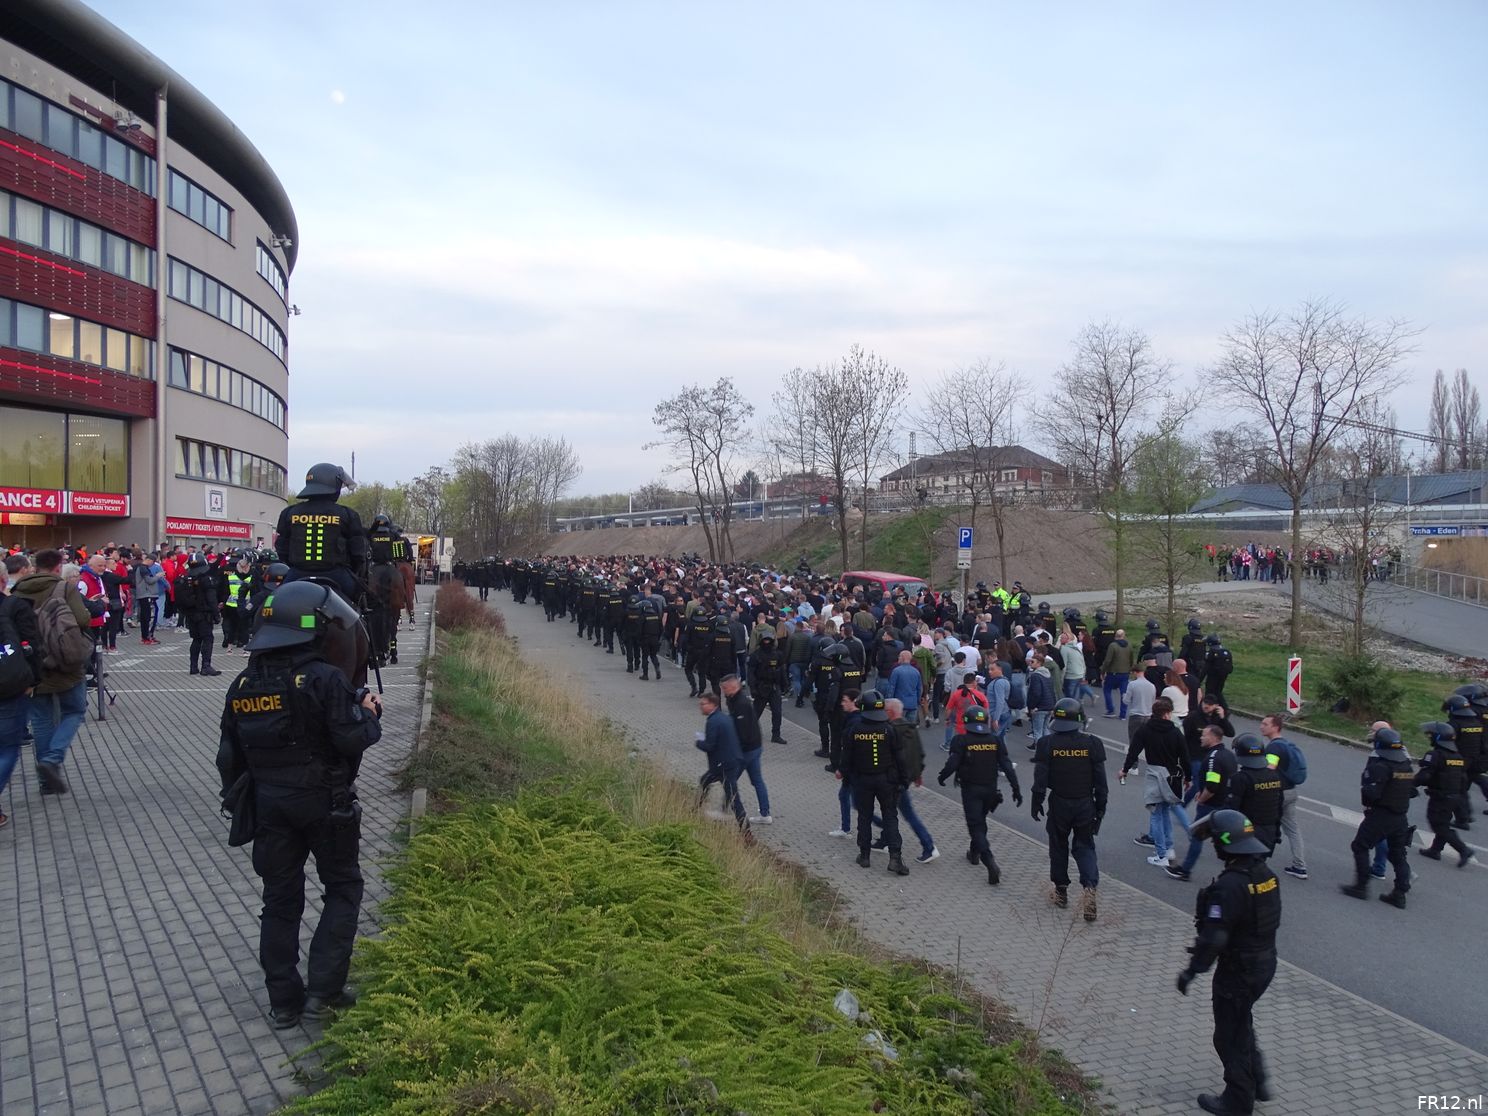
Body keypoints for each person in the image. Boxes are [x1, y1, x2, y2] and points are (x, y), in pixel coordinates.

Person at [216, 580, 383, 1029]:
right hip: (326, 805)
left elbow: (228, 757)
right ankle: (323, 994)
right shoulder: (324, 679)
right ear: (313, 630)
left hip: (270, 808)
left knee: (279, 900)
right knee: (343, 889)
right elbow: (352, 739)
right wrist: (370, 713)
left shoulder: (242, 684)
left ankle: (284, 1002)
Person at [1174, 809, 1279, 1116]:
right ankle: (1258, 1080)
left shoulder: (1230, 885)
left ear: (1225, 843)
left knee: (1228, 1036)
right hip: (1264, 964)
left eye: (1215, 841)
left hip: (1238, 972)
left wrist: (1191, 971)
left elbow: (1214, 938)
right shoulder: (1265, 875)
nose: (1213, 847)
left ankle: (1238, 1101)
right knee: (1241, 1022)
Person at [13, 549, 92, 795]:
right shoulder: (64, 588)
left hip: (32, 663)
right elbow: (82, 619)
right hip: (64, 661)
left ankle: (46, 782)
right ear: (58, 567)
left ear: (34, 566)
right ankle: (52, 759)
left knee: (41, 720)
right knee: (75, 710)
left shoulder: (18, 591)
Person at [1030, 697, 1107, 920]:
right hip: (1085, 804)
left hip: (1059, 803)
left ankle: (1061, 892)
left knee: (1058, 847)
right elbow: (1101, 783)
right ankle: (1089, 888)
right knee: (1085, 847)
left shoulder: (1046, 743)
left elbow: (1040, 778)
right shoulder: (1093, 743)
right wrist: (1100, 810)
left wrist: (1036, 802)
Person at [938, 705, 1020, 885]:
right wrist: (1016, 788)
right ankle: (974, 853)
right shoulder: (995, 740)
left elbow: (953, 763)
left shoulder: (961, 740)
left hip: (971, 790)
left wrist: (942, 776)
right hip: (990, 790)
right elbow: (1006, 765)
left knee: (975, 826)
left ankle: (989, 862)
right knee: (981, 821)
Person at [1340, 726, 1416, 908]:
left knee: (1360, 846)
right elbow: (1412, 792)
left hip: (1381, 815)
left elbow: (1370, 794)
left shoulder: (1380, 767)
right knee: (1398, 855)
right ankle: (1400, 893)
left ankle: (1361, 886)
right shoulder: (1406, 766)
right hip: (1401, 817)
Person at [273, 462, 369, 605]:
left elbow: (282, 549)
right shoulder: (347, 514)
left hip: (297, 574)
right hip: (337, 575)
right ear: (334, 486)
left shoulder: (289, 513)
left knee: (274, 600)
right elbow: (358, 554)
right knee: (364, 602)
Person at [840, 689, 910, 876]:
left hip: (862, 780)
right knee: (890, 816)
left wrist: (846, 779)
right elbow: (900, 758)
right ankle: (895, 858)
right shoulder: (889, 729)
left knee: (864, 816)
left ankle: (864, 856)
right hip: (887, 780)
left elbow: (846, 758)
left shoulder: (854, 730)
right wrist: (904, 780)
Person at [1121, 697, 1190, 867]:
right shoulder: (1175, 732)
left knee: (1156, 814)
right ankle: (1169, 848)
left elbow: (1133, 751)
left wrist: (1125, 770)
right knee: (1165, 812)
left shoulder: (1145, 730)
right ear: (1167, 714)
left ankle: (1161, 854)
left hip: (1154, 774)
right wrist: (1188, 778)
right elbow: (1185, 756)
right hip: (1172, 776)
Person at [1167, 724, 1237, 881]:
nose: (1201, 738)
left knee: (1197, 836)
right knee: (1225, 837)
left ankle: (1185, 870)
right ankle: (1236, 868)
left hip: (1211, 805)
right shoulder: (1228, 755)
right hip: (1226, 803)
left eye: (1204, 735)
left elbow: (1212, 785)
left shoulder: (1212, 758)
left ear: (1213, 737)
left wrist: (1202, 798)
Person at [0, 572, 41, 826]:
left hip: (9, 683)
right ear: (4, 580)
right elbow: (32, 644)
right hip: (9, 684)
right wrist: (33, 679)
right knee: (6, 748)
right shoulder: (14, 606)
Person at [882, 698, 937, 863]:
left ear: (890, 712)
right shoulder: (911, 728)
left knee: (904, 813)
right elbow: (919, 753)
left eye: (884, 710)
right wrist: (918, 774)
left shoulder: (890, 730)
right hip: (906, 778)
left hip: (894, 779)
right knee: (892, 810)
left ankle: (928, 846)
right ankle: (884, 839)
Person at [1414, 721, 1474, 868]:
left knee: (1438, 824)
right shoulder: (1457, 756)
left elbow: (1424, 776)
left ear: (1438, 738)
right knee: (1443, 823)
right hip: (1455, 797)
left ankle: (1463, 849)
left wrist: (1409, 785)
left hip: (1440, 797)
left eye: (1431, 735)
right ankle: (1435, 850)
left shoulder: (1435, 755)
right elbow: (1463, 779)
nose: (1429, 737)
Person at [1260, 713, 1307, 879]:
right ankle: (1300, 866)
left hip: (1278, 793)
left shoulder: (1274, 747)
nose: (1261, 726)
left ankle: (1254, 859)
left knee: (1261, 823)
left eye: (1265, 724)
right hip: (1291, 791)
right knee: (1293, 830)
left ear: (1275, 727)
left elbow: (1270, 767)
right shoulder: (1286, 744)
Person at [694, 691, 749, 834]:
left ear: (713, 705)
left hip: (723, 766)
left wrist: (699, 742)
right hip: (729, 762)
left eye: (703, 704)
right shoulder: (724, 717)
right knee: (705, 781)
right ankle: (694, 810)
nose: (701, 707)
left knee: (734, 798)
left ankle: (746, 831)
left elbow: (710, 746)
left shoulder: (713, 721)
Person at [720, 675, 770, 825]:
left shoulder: (741, 703)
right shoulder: (733, 699)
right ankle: (765, 813)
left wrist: (733, 751)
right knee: (757, 780)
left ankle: (724, 810)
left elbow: (743, 732)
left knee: (729, 780)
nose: (723, 691)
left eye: (725, 688)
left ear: (734, 686)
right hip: (754, 746)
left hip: (747, 750)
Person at [1229, 734, 1284, 854]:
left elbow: (1232, 810)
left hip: (1247, 832)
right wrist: (1277, 832)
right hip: (1269, 832)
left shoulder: (1240, 778)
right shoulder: (1274, 776)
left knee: (1241, 864)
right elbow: (1279, 807)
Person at [175, 558, 222, 676]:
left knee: (196, 639)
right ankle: (206, 666)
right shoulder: (206, 579)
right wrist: (216, 615)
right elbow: (211, 599)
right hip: (204, 614)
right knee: (208, 639)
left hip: (191, 614)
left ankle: (193, 666)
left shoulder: (185, 579)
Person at [746, 633, 788, 743]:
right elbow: (750, 673)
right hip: (761, 687)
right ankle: (748, 734)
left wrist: (785, 684)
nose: (767, 643)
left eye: (769, 640)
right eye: (765, 640)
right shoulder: (756, 656)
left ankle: (776, 735)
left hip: (774, 687)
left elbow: (782, 670)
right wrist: (753, 688)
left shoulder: (778, 654)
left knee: (777, 712)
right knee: (756, 712)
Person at [1100, 628, 1134, 717]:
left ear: (1115, 636)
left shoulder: (1113, 646)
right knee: (1124, 693)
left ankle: (1110, 710)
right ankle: (1123, 714)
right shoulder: (1129, 646)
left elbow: (1108, 660)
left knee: (1107, 690)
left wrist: (1103, 671)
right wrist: (1130, 669)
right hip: (1125, 673)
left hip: (1113, 672)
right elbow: (1131, 659)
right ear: (1124, 636)